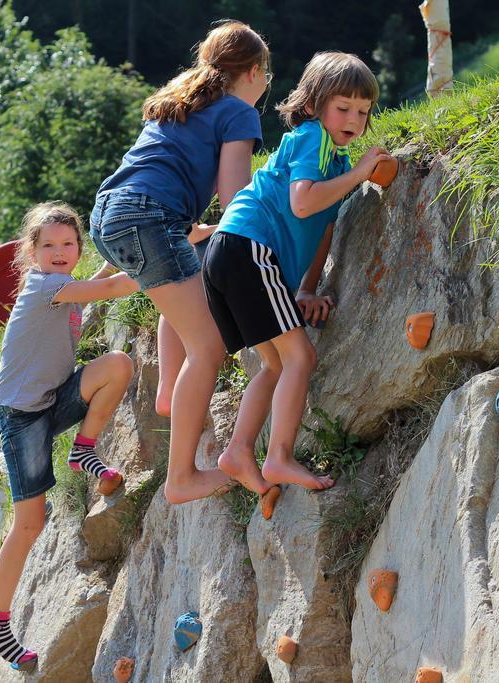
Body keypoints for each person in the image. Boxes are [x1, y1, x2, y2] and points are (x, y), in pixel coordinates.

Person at [203, 52, 395, 511]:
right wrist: (361, 172)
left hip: (229, 254)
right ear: (314, 104)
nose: (354, 118)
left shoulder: (332, 159)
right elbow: (304, 203)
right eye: (343, 107)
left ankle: (237, 451)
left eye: (363, 111)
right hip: (249, 249)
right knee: (300, 357)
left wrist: (306, 289)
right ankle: (279, 456)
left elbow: (322, 228)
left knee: (274, 365)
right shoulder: (314, 139)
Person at [89, 20, 269, 504]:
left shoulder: (178, 103)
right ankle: (182, 478)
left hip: (109, 214)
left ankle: (171, 389)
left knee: (187, 281)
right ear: (253, 72)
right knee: (209, 348)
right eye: (265, 75)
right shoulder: (237, 112)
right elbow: (234, 199)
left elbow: (160, 175)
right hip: (148, 220)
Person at [0, 202, 138, 671]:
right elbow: (111, 287)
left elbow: (100, 285)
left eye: (69, 244)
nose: (61, 251)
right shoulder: (45, 286)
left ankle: (83, 450)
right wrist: (170, 248)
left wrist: (116, 255)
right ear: (32, 252)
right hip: (22, 417)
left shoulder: (66, 288)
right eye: (49, 245)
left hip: (53, 399)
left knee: (118, 367)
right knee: (28, 524)